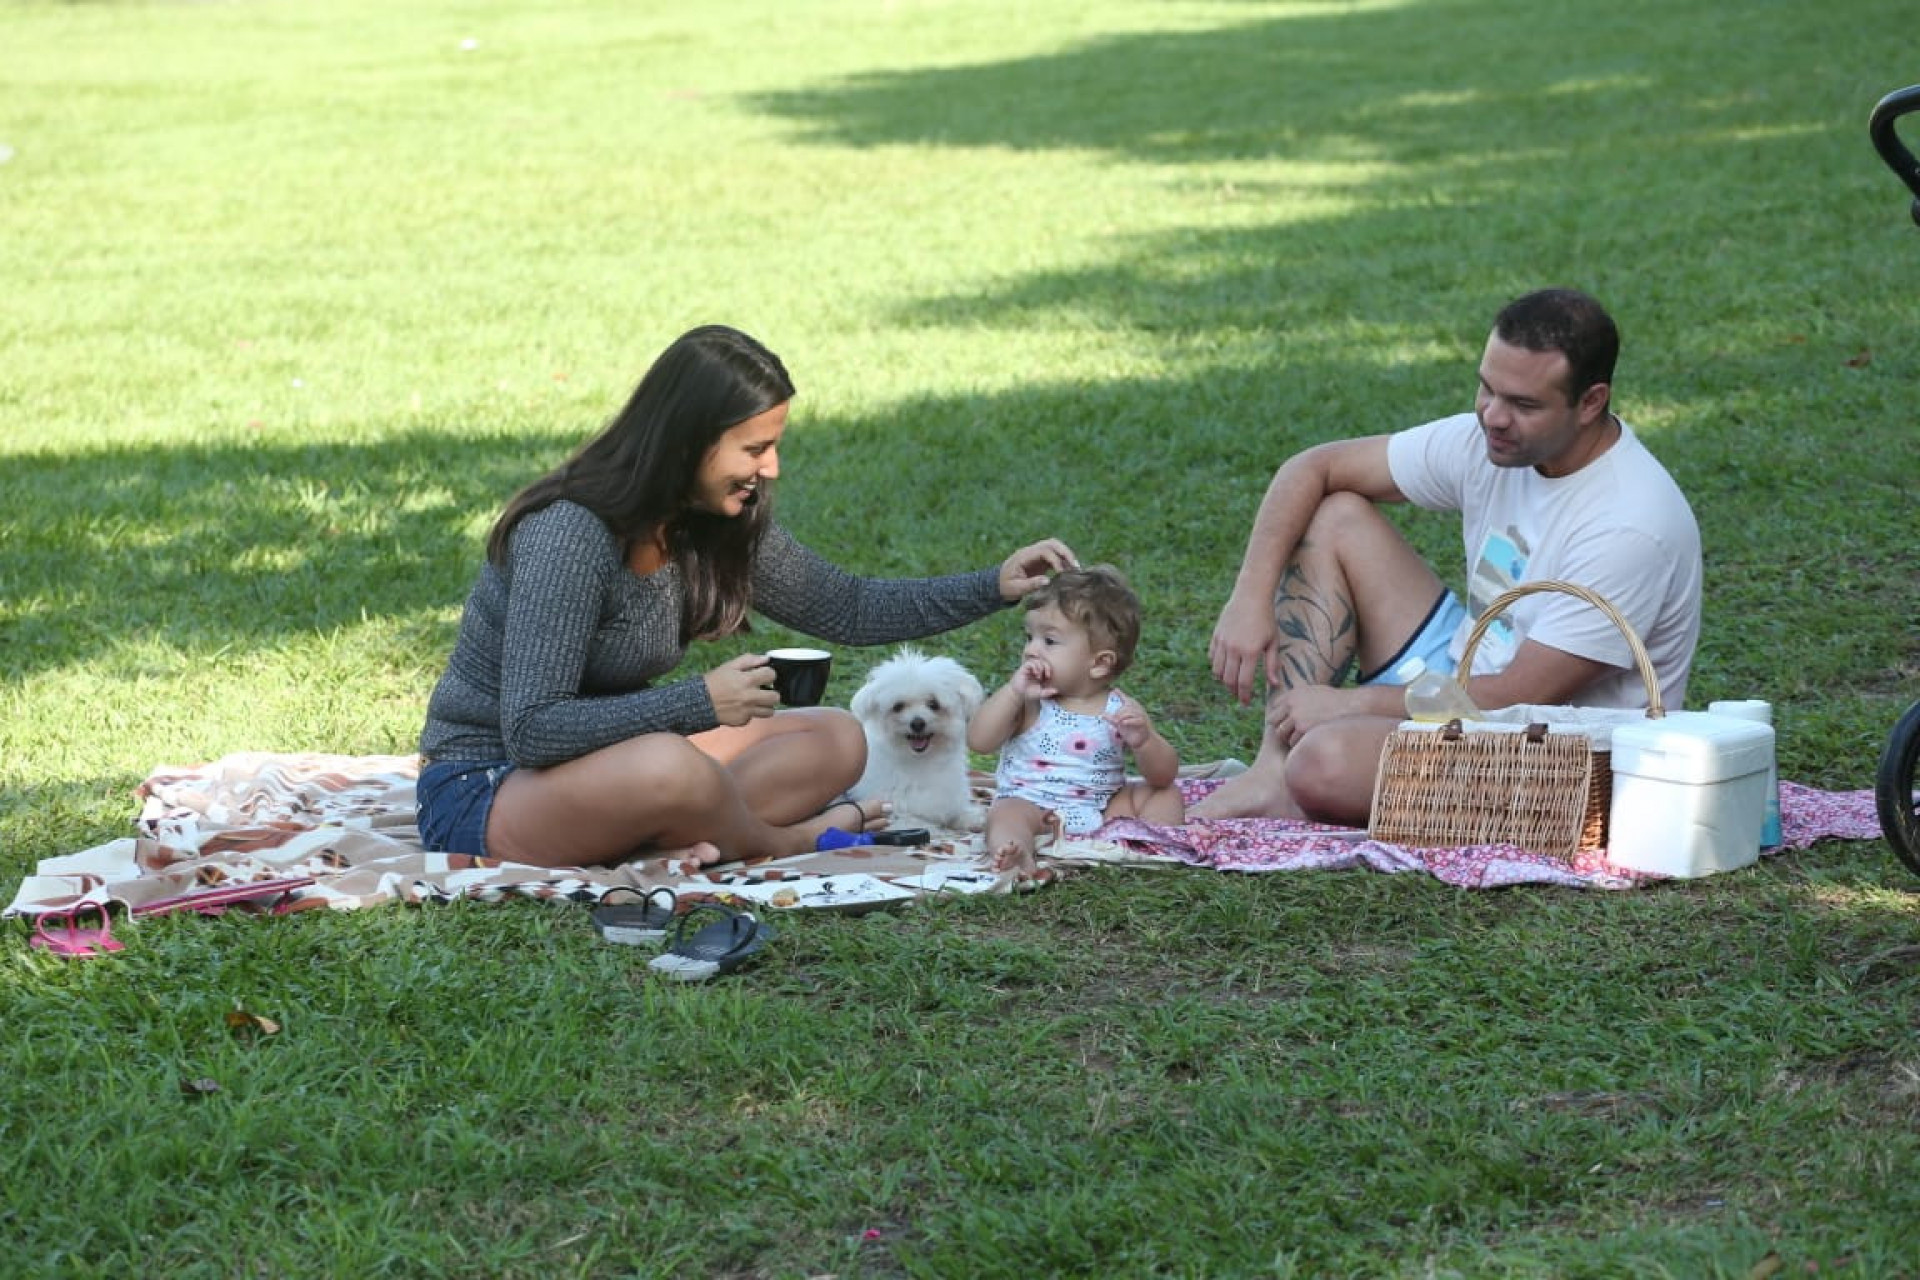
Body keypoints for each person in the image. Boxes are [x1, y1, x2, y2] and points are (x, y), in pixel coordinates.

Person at [416, 324, 1078, 869]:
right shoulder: (570, 534)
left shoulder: (713, 523)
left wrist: (991, 585)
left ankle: (684, 833)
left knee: (837, 737)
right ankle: (778, 841)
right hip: (489, 785)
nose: (771, 468)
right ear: (689, 444)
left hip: (611, 764)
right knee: (669, 763)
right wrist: (698, 703)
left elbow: (848, 606)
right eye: (755, 448)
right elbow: (532, 729)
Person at [1192, 288, 1702, 826]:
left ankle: (1305, 769)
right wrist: (1249, 599)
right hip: (1460, 680)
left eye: (1524, 404)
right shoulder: (1491, 442)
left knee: (1324, 764)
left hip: (1550, 756)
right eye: (1487, 388)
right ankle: (1271, 775)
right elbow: (1313, 467)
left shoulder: (1630, 525)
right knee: (1338, 517)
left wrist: (1349, 705)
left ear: (1591, 402)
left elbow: (1517, 696)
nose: (1493, 417)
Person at [967, 564, 1184, 870]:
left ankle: (1149, 845)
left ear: (1099, 664)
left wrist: (1144, 742)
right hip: (1034, 806)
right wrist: (1013, 692)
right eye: (1029, 637)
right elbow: (979, 741)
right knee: (1005, 814)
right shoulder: (1031, 701)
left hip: (1104, 808)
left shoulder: (1121, 708)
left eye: (1049, 641)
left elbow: (1163, 775)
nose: (1031, 650)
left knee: (1165, 794)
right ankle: (1017, 852)